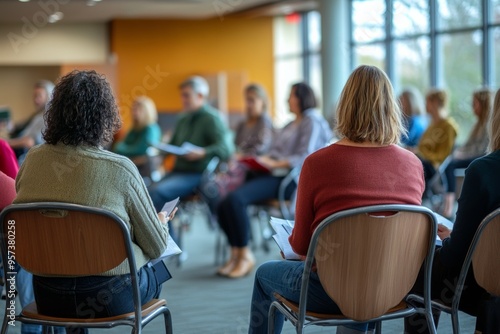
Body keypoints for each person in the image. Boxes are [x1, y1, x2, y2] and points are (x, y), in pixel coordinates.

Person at [248, 65, 425, 334]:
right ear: (392, 108)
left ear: (344, 107)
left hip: (329, 291)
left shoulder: (318, 163)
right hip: (395, 285)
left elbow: (302, 246)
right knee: (368, 267)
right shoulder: (413, 164)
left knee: (263, 274)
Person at [13, 70, 170, 333]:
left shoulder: (32, 160)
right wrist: (161, 223)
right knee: (160, 269)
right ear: (105, 116)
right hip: (108, 298)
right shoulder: (121, 169)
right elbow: (156, 247)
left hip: (48, 297)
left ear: (55, 113)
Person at [405, 88, 500, 334]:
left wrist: (451, 240)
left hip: (479, 285)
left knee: (418, 266)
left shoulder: (482, 171)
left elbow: (455, 257)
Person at [216, 82, 332, 279]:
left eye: (291, 95)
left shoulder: (311, 121)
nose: (288, 99)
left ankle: (245, 255)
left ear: (302, 98)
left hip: (287, 180)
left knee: (235, 200)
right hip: (271, 174)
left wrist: (274, 163)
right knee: (222, 203)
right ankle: (236, 253)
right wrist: (262, 160)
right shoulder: (290, 123)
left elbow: (306, 156)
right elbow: (273, 152)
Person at [148, 76, 234, 240]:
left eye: (187, 95)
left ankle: (166, 242)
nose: (183, 100)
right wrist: (160, 147)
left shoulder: (212, 118)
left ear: (200, 96)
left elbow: (226, 149)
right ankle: (166, 238)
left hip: (196, 174)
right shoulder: (183, 118)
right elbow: (172, 144)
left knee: (157, 193)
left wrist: (203, 152)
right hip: (177, 171)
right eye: (182, 95)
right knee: (145, 192)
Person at [442, 88, 492, 218]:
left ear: (483, 104)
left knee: (450, 164)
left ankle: (449, 203)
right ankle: (448, 202)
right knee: (449, 161)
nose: (472, 107)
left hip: (480, 158)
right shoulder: (477, 125)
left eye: (474, 104)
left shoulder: (489, 125)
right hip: (473, 156)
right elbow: (468, 146)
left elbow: (482, 150)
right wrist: (458, 152)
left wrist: (461, 155)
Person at [415, 89, 458, 186]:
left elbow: (443, 156)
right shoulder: (431, 125)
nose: (425, 105)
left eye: (427, 102)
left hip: (432, 166)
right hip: (422, 161)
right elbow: (422, 147)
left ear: (435, 103)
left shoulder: (449, 127)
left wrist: (420, 153)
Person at [7, 80, 54, 160]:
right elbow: (20, 126)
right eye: (34, 96)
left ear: (49, 96)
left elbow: (29, 142)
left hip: (27, 158)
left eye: (39, 96)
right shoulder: (36, 115)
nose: (36, 100)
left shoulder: (46, 117)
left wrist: (5, 143)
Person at [234, 84, 274, 157]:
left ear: (263, 101)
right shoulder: (242, 124)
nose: (248, 105)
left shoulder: (265, 122)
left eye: (252, 100)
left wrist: (243, 155)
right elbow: (235, 146)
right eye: (247, 100)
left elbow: (262, 149)